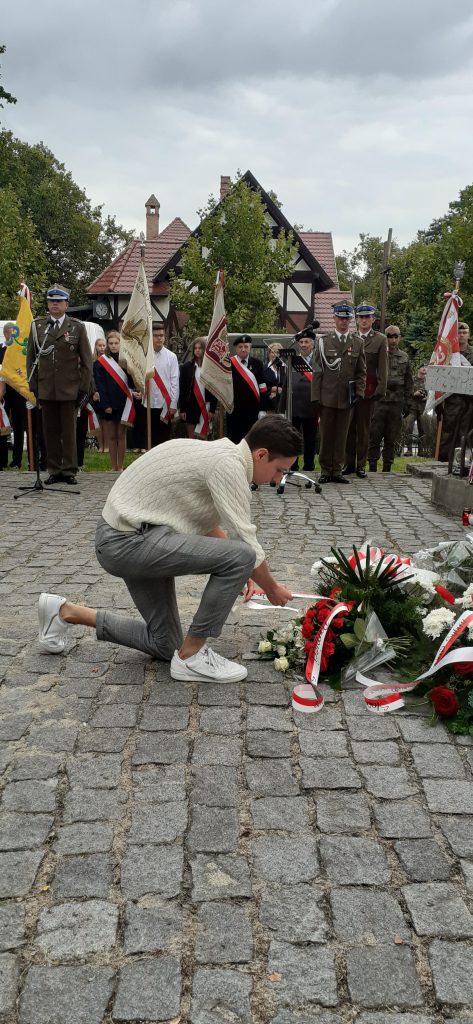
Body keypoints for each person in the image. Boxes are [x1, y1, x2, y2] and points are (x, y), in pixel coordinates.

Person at [37, 415, 302, 683]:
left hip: (131, 533)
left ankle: (64, 612)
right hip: (126, 540)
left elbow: (202, 520)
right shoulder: (228, 466)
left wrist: (243, 570)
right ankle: (192, 658)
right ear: (261, 454)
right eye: (279, 470)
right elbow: (246, 543)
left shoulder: (220, 453)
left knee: (164, 645)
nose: (275, 480)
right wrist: (271, 588)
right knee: (243, 555)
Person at [26, 284, 93, 485]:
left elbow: (87, 362)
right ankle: (54, 469)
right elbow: (30, 360)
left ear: (66, 304)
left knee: (69, 431)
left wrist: (83, 387)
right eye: (51, 301)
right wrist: (34, 387)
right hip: (46, 388)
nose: (54, 304)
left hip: (69, 388)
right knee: (50, 431)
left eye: (58, 301)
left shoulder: (77, 327)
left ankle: (69, 470)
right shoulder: (38, 326)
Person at [311, 302, 366, 484]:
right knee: (326, 435)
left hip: (346, 397)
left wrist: (359, 393)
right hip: (327, 396)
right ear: (334, 318)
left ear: (351, 320)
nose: (344, 322)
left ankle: (337, 470)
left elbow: (361, 372)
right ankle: (326, 470)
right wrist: (316, 396)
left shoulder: (357, 342)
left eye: (347, 318)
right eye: (340, 318)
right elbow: (317, 370)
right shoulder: (323, 341)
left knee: (342, 435)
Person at [344, 303, 388, 478]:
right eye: (360, 317)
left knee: (363, 429)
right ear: (356, 320)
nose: (363, 320)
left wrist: (380, 390)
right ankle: (348, 464)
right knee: (348, 429)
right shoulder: (350, 337)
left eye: (366, 317)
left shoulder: (380, 339)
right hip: (349, 390)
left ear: (373, 319)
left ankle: (361, 464)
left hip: (368, 391)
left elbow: (383, 368)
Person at [368, 325, 413, 472]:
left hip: (396, 402)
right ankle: (372, 466)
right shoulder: (378, 356)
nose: (393, 340)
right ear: (385, 338)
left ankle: (387, 467)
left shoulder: (404, 357)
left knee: (391, 437)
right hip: (379, 401)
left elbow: (409, 382)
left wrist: (408, 402)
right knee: (374, 436)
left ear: (399, 338)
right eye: (390, 337)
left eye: (396, 337)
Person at [93, 332, 134, 472]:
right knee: (111, 436)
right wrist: (105, 405)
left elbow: (132, 380)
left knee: (121, 435)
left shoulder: (125, 360)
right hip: (108, 403)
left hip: (124, 402)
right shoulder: (101, 362)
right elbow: (100, 384)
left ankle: (121, 466)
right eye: (111, 343)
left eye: (116, 343)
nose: (113, 346)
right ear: (107, 345)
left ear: (120, 344)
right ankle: (113, 466)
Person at [279, 331, 317, 471]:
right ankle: (293, 466)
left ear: (312, 344)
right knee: (293, 439)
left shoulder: (318, 360)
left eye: (306, 342)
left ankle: (309, 466)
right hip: (293, 406)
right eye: (301, 342)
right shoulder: (292, 360)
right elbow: (285, 385)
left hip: (311, 407)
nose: (303, 345)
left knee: (310, 439)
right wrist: (281, 409)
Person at [438, 321, 473, 462]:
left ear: (469, 335)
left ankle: (461, 461)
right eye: (459, 333)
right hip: (452, 398)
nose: (462, 335)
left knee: (465, 432)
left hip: (470, 399)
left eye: (465, 333)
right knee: (448, 431)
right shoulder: (449, 354)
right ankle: (444, 460)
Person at [142, 324, 179, 448]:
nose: (159, 338)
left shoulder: (172, 357)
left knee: (164, 439)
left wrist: (173, 404)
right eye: (156, 336)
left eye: (161, 335)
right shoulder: (145, 356)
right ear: (151, 338)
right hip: (148, 403)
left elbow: (174, 381)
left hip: (165, 404)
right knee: (149, 437)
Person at [226, 335, 268, 443]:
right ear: (236, 348)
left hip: (253, 410)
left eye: (246, 346)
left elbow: (263, 387)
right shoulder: (229, 364)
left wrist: (263, 409)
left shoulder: (257, 363)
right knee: (234, 441)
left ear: (250, 347)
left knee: (252, 441)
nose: (243, 349)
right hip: (234, 410)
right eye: (240, 347)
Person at [179, 337, 217, 439]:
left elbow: (215, 390)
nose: (197, 350)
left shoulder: (211, 368)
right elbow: (182, 389)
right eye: (195, 348)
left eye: (200, 348)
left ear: (205, 349)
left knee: (203, 439)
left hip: (205, 406)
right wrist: (182, 409)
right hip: (190, 407)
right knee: (191, 438)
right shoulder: (186, 367)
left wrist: (212, 409)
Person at [263, 342, 286, 412]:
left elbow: (290, 386)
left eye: (278, 352)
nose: (275, 355)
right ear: (269, 354)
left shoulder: (286, 368)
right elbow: (260, 387)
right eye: (272, 352)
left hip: (283, 407)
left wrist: (281, 392)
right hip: (268, 407)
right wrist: (271, 389)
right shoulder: (264, 369)